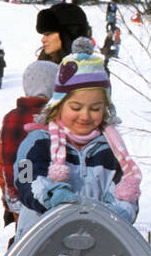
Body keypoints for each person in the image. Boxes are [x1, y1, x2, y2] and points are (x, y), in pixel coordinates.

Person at [13, 40, 141, 240]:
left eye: (95, 108)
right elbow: (25, 177)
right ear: (58, 105)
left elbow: (125, 189)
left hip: (95, 244)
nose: (85, 116)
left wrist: (117, 214)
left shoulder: (112, 149)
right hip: (41, 244)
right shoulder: (37, 142)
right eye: (76, 107)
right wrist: (50, 195)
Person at [0, 61, 57, 239]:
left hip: (21, 189)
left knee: (25, 239)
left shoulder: (13, 116)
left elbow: (8, 159)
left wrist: (13, 192)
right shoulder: (55, 117)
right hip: (48, 192)